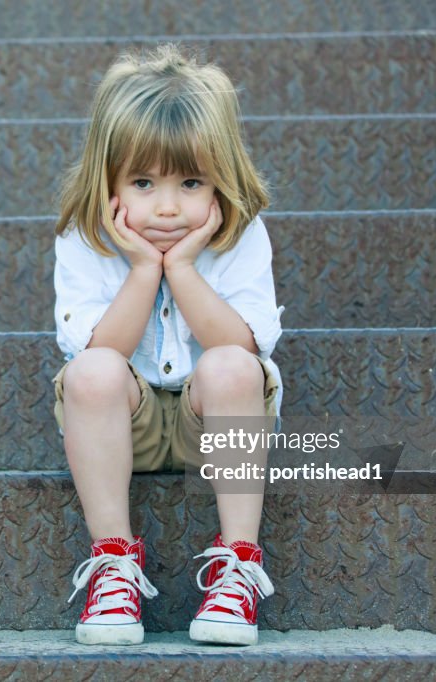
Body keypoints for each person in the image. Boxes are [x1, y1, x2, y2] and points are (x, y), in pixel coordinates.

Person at [52, 43, 284, 647]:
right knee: (92, 372)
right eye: (142, 182)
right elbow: (97, 347)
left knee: (234, 366)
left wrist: (181, 267)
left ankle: (238, 564)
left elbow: (240, 342)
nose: (166, 207)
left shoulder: (241, 235)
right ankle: (111, 564)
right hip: (120, 426)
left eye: (190, 182)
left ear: (222, 180)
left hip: (217, 423)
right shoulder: (85, 238)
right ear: (108, 182)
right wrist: (141, 269)